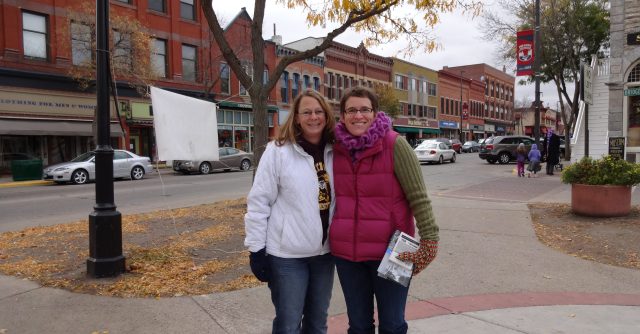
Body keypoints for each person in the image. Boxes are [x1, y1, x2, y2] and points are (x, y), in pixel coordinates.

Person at [329, 86, 439, 334]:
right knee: (358, 326)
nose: (359, 116)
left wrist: (430, 241)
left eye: (365, 109)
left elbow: (419, 198)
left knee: (392, 325)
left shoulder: (395, 145)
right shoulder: (335, 149)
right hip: (348, 255)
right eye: (352, 110)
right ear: (343, 116)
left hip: (394, 253)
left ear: (375, 112)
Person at [244, 89, 336, 333]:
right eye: (306, 112)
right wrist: (256, 249)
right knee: (288, 323)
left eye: (318, 112)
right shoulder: (278, 150)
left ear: (326, 116)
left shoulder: (336, 151)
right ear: (296, 117)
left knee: (318, 323)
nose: (313, 117)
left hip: (325, 254)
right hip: (287, 256)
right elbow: (259, 201)